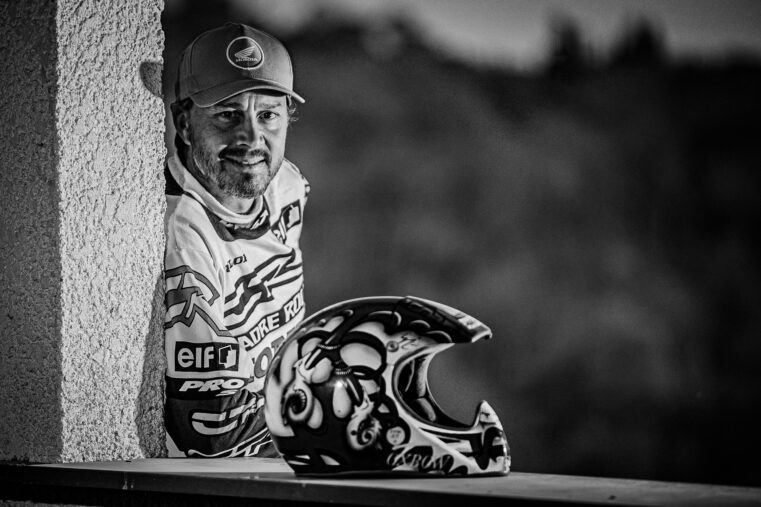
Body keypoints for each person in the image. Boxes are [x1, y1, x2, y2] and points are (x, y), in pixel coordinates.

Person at [163, 23, 309, 457]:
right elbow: (212, 432)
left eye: (268, 115)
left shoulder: (287, 183)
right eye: (227, 114)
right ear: (184, 123)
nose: (251, 140)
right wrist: (329, 420)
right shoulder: (180, 234)